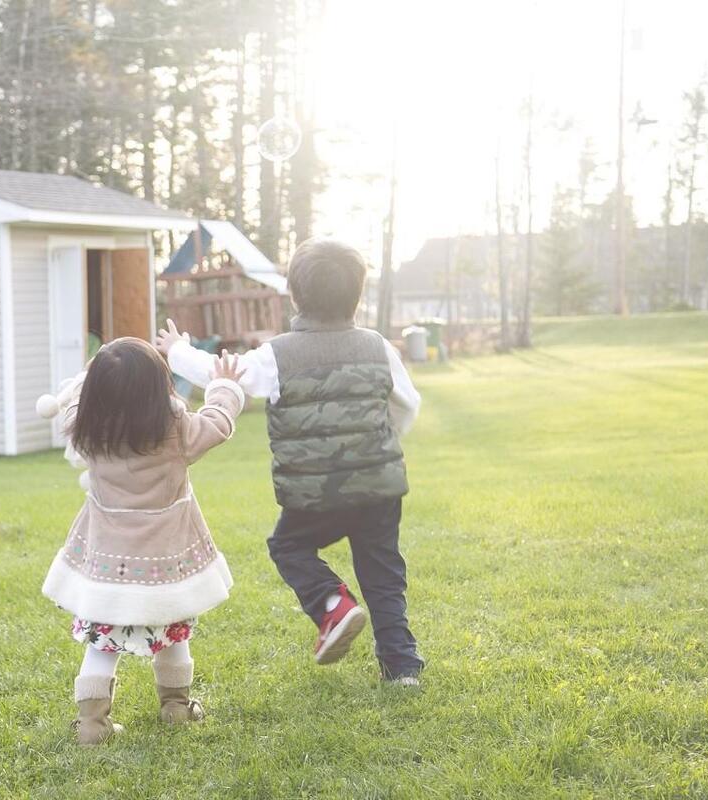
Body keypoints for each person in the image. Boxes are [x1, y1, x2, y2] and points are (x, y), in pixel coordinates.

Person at [158, 238, 425, 686]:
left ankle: (331, 604)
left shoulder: (276, 355)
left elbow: (220, 373)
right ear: (357, 295)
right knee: (382, 570)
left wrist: (177, 351)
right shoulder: (379, 347)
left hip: (314, 493)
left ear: (294, 295)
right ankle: (401, 667)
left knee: (290, 547)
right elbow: (407, 405)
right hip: (378, 484)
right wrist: (381, 438)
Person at [41, 338, 246, 746]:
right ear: (160, 388)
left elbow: (79, 402)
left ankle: (92, 725)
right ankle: (176, 707)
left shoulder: (88, 433)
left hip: (107, 566)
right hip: (165, 565)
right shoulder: (176, 430)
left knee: (102, 641)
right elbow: (218, 421)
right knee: (173, 632)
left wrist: (93, 378)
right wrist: (224, 385)